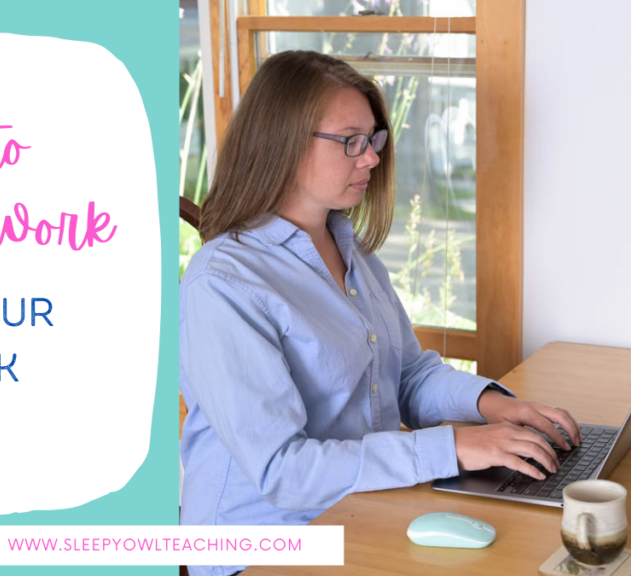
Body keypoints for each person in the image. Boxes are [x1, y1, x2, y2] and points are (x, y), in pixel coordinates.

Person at [178, 50, 581, 576]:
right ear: (282, 141)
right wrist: (454, 446)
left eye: (373, 140)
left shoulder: (351, 250)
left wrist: (490, 407)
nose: (370, 158)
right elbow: (283, 472)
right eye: (351, 141)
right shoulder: (223, 283)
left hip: (362, 508)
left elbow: (406, 376)